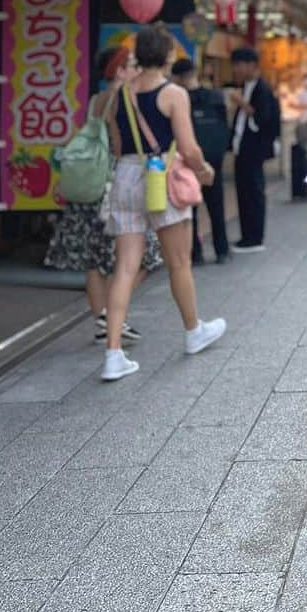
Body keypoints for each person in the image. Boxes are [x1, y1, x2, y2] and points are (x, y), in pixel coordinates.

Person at [103, 24, 226, 382]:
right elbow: (188, 148)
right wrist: (203, 170)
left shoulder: (119, 93)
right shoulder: (173, 93)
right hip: (161, 179)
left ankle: (113, 353)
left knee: (125, 266)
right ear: (169, 55)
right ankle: (192, 330)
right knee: (178, 262)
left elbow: (114, 140)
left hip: (125, 176)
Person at [44, 47, 160, 342]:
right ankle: (112, 315)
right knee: (144, 255)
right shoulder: (122, 98)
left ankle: (103, 321)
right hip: (112, 187)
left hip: (89, 188)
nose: (137, 69)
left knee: (94, 262)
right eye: (132, 65)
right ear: (119, 71)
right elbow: (121, 145)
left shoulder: (96, 99)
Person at [170, 58, 230, 265]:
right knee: (216, 207)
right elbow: (224, 127)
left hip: (189, 161)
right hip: (214, 161)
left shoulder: (179, 99)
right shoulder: (215, 97)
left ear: (178, 78)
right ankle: (222, 250)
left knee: (191, 209)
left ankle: (196, 254)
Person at [229, 46, 281, 254]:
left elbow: (263, 118)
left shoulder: (261, 88)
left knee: (253, 192)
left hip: (253, 150)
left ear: (251, 65)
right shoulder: (248, 86)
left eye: (238, 65)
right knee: (244, 192)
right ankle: (246, 236)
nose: (236, 70)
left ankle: (254, 237)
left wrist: (241, 103)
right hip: (243, 149)